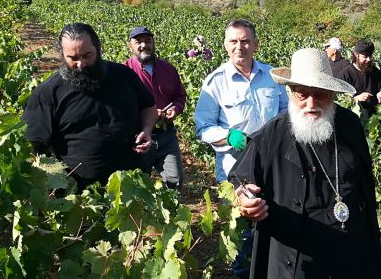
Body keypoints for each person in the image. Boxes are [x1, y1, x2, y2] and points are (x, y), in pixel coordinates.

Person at [231, 48, 381, 278]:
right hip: (297, 260)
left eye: (320, 94)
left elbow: (365, 185)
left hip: (351, 254)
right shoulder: (271, 135)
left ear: (332, 93)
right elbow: (241, 180)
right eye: (302, 94)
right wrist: (245, 199)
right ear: (290, 92)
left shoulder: (351, 126)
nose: (311, 103)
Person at [194, 18, 287, 278]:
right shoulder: (215, 82)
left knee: (273, 223)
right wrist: (228, 135)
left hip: (273, 166)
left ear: (255, 44)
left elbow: (285, 114)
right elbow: (203, 128)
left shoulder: (272, 77)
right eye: (233, 41)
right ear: (225, 45)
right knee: (244, 231)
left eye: (245, 41)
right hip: (235, 170)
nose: (239, 46)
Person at [22, 23, 157, 191]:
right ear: (62, 56)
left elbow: (149, 106)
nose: (81, 64)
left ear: (98, 48)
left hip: (129, 186)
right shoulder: (48, 93)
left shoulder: (124, 76)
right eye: (73, 58)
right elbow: (34, 143)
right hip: (76, 196)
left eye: (87, 55)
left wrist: (146, 129)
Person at [124, 26, 187, 190]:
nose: (144, 45)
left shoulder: (168, 69)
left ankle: (170, 214)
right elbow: (119, 106)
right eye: (138, 42)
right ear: (129, 45)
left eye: (147, 41)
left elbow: (180, 96)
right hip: (138, 138)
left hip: (166, 135)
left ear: (153, 43)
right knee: (136, 185)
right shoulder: (124, 72)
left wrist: (175, 109)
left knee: (175, 181)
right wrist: (149, 115)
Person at [338, 39, 381, 117]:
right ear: (356, 55)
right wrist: (356, 99)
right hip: (355, 119)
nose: (369, 59)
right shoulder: (345, 74)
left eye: (370, 56)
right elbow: (339, 100)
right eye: (365, 56)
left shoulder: (374, 70)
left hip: (376, 118)